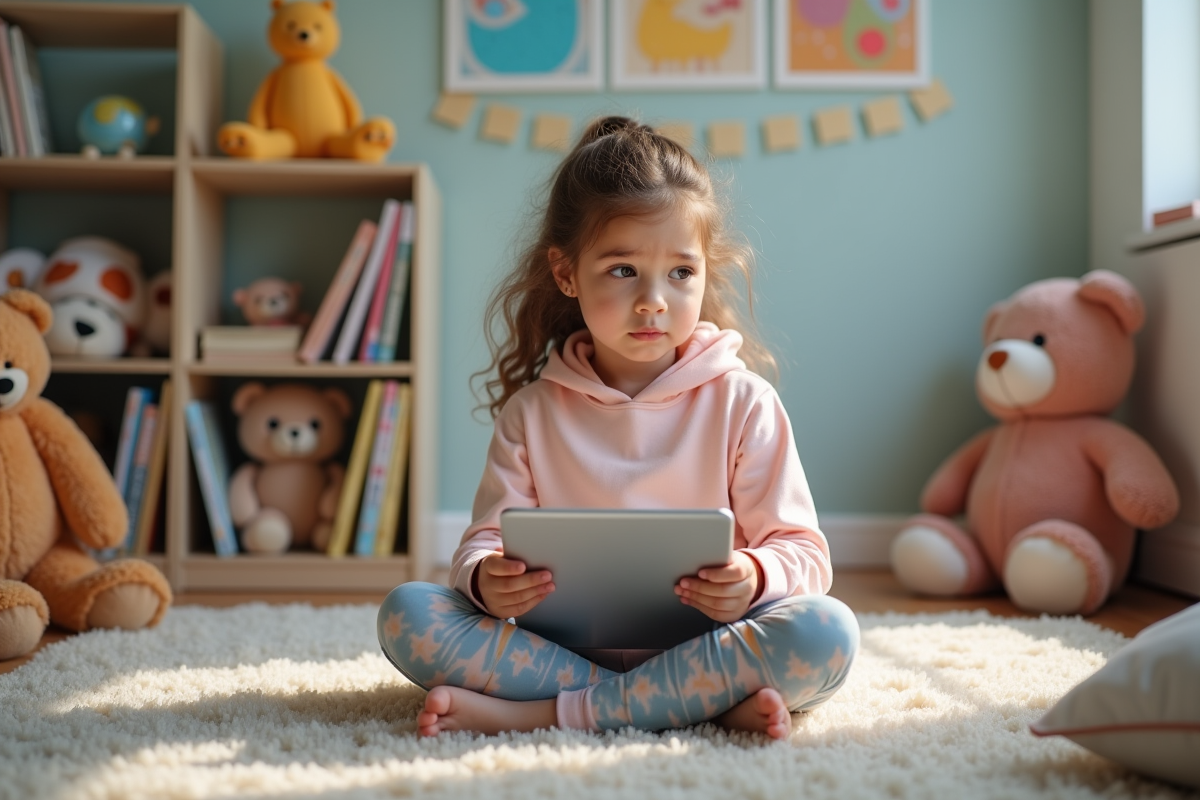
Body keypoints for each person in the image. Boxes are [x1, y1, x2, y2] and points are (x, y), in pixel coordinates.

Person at [377, 116, 859, 740]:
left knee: (828, 631)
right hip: (569, 657)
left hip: (708, 645)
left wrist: (756, 576)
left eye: (681, 272)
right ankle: (696, 706)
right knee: (407, 614)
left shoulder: (745, 402)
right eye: (623, 270)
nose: (654, 299)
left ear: (705, 273)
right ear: (566, 272)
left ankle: (548, 716)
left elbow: (804, 553)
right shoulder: (532, 413)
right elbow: (482, 544)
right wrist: (485, 578)